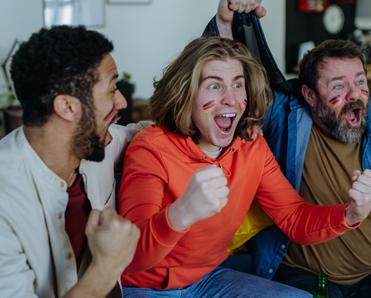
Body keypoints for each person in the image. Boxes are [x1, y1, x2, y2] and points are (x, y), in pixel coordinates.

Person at [117, 36, 371, 298]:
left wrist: (349, 215)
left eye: (238, 84)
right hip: (145, 285)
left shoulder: (251, 147)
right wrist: (180, 214)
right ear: (186, 92)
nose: (231, 99)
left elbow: (294, 218)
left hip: (208, 278)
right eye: (214, 86)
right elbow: (133, 257)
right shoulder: (151, 147)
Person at [207, 1, 371, 297]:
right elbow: (232, 84)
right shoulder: (285, 116)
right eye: (337, 87)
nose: (354, 95)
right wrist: (225, 22)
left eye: (360, 82)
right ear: (309, 94)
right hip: (308, 276)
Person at [0, 25, 141, 298]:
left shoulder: (95, 143)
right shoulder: (5, 201)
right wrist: (106, 268)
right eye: (113, 88)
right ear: (67, 107)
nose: (122, 102)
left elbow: (153, 133)